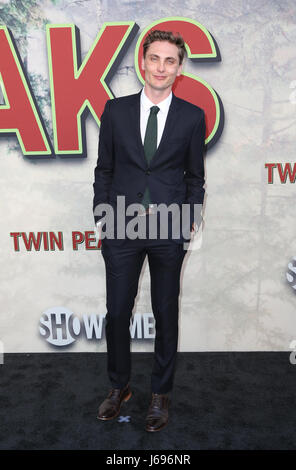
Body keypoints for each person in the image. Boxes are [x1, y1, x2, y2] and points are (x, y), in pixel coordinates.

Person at [92, 29, 206, 432]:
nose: (161, 67)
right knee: (117, 312)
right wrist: (102, 216)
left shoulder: (192, 116)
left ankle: (160, 393)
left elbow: (196, 177)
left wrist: (188, 220)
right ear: (143, 61)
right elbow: (104, 169)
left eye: (170, 61)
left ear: (179, 68)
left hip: (168, 229)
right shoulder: (115, 110)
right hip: (121, 225)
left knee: (165, 312)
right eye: (154, 58)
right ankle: (118, 386)